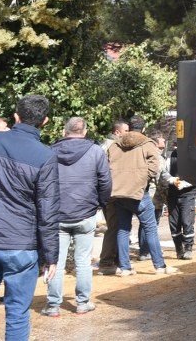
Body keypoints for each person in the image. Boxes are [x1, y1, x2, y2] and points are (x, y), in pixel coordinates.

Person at [0, 94, 59, 341]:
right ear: (45, 121)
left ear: (16, 116)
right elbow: (47, 212)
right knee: (17, 314)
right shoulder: (45, 156)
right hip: (20, 246)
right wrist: (51, 257)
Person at [42, 117, 111, 317]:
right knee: (83, 261)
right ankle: (83, 302)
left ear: (65, 132)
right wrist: (101, 203)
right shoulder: (96, 151)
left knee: (55, 261)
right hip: (85, 212)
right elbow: (105, 181)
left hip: (57, 214)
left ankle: (53, 305)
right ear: (85, 131)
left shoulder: (50, 151)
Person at [106, 124, 173, 275]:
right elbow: (154, 167)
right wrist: (144, 180)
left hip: (119, 192)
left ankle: (124, 267)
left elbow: (107, 166)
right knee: (150, 229)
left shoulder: (115, 144)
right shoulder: (147, 144)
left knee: (123, 229)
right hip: (139, 193)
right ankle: (160, 266)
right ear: (143, 129)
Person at [96, 119, 129, 274]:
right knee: (114, 226)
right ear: (117, 132)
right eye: (126, 131)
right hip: (111, 193)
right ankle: (107, 261)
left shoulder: (105, 145)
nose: (128, 134)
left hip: (109, 191)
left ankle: (114, 258)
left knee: (116, 225)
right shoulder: (111, 147)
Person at [165, 142, 196, 260]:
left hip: (188, 193)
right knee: (174, 223)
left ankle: (188, 248)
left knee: (187, 220)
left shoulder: (193, 157)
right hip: (173, 192)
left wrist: (185, 184)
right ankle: (179, 249)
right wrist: (171, 180)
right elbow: (164, 173)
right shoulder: (170, 157)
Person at [138, 133, 167, 262]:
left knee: (146, 224)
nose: (165, 140)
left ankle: (144, 250)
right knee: (151, 224)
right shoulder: (155, 156)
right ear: (155, 143)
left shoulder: (145, 154)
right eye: (162, 139)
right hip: (154, 196)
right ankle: (146, 251)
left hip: (152, 195)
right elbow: (160, 175)